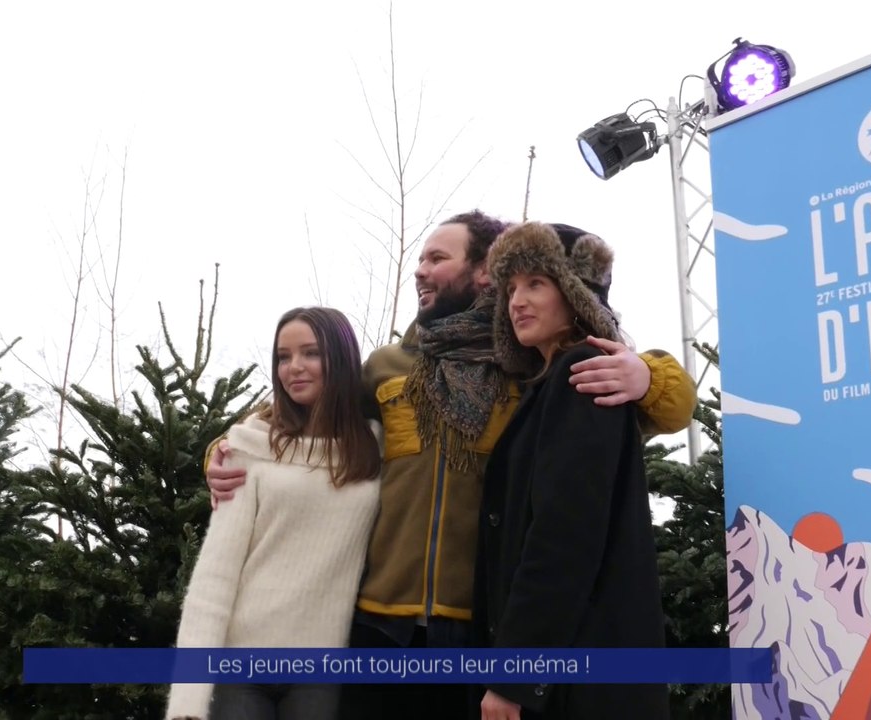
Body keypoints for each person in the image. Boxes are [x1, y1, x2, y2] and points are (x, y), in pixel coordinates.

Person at [206, 210, 696, 720]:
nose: (420, 270)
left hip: (481, 628)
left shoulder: (529, 363)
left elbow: (672, 408)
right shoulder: (386, 367)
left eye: (438, 258)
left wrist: (646, 374)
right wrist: (222, 453)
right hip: (379, 626)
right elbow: (295, 415)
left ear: (484, 270)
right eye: (419, 258)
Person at [473, 221, 669, 720]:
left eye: (535, 283)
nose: (516, 300)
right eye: (511, 287)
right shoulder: (552, 381)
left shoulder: (583, 372)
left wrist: (515, 673)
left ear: (575, 290)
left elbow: (564, 535)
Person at [166, 307, 383, 720]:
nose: (294, 368)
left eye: (310, 353)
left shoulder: (375, 449)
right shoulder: (252, 448)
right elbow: (214, 579)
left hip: (323, 669)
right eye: (283, 357)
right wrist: (186, 706)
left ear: (339, 359)